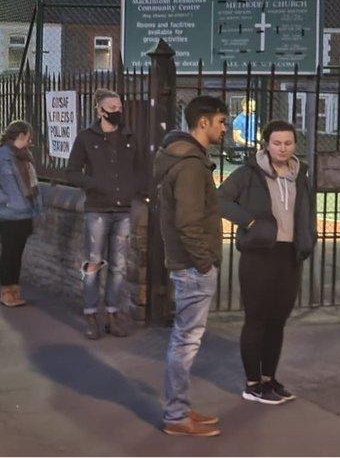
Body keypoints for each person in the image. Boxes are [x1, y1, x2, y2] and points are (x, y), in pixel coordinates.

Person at [218, 119, 317, 405]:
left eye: (288, 143)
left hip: (289, 255)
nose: (282, 148)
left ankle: (269, 379)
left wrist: (309, 237)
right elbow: (219, 200)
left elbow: (307, 211)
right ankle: (252, 383)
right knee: (257, 319)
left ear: (294, 145)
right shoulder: (248, 174)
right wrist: (249, 221)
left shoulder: (301, 175)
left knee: (278, 321)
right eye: (277, 143)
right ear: (266, 144)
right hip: (259, 254)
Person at [154, 95, 229, 437]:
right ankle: (176, 416)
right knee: (186, 341)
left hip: (188, 265)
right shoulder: (190, 165)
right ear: (203, 122)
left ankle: (180, 407)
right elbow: (188, 222)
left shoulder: (185, 157)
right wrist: (204, 262)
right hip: (192, 266)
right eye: (221, 121)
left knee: (185, 340)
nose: (225, 128)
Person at [66, 89, 148, 340]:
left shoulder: (130, 137)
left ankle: (113, 314)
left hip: (123, 209)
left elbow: (141, 169)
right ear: (100, 111)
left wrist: (136, 189)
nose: (117, 111)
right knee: (93, 263)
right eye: (112, 107)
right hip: (97, 209)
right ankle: (91, 314)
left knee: (120, 266)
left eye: (119, 106)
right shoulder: (86, 138)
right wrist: (94, 183)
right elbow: (72, 172)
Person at [0, 120, 43, 307]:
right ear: (20, 135)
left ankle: (15, 290)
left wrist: (37, 208)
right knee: (9, 253)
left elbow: (34, 184)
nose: (29, 141)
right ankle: (6, 291)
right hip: (8, 215)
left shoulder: (26, 156)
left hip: (26, 213)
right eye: (28, 137)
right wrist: (7, 199)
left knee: (17, 254)